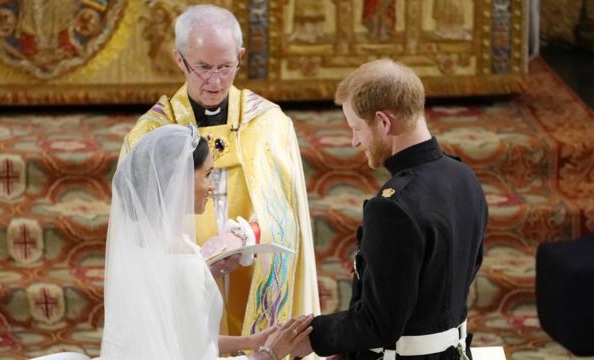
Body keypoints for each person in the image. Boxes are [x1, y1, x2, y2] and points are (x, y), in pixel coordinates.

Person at [119, 4, 320, 341]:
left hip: (253, 275)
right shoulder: (151, 135)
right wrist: (190, 264)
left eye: (226, 66)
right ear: (179, 60)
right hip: (182, 281)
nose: (215, 80)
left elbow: (287, 215)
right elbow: (136, 231)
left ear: (240, 56)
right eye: (202, 67)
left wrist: (243, 238)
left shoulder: (269, 124)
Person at [294, 59, 488, 359]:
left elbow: (377, 323)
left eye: (357, 128)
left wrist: (309, 335)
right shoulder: (464, 176)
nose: (354, 140)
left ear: (384, 122)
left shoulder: (393, 208)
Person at [101, 124, 313, 359]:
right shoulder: (184, 262)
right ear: (180, 178)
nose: (213, 186)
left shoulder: (137, 246)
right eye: (208, 174)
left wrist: (251, 341)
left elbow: (182, 340)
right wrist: (270, 353)